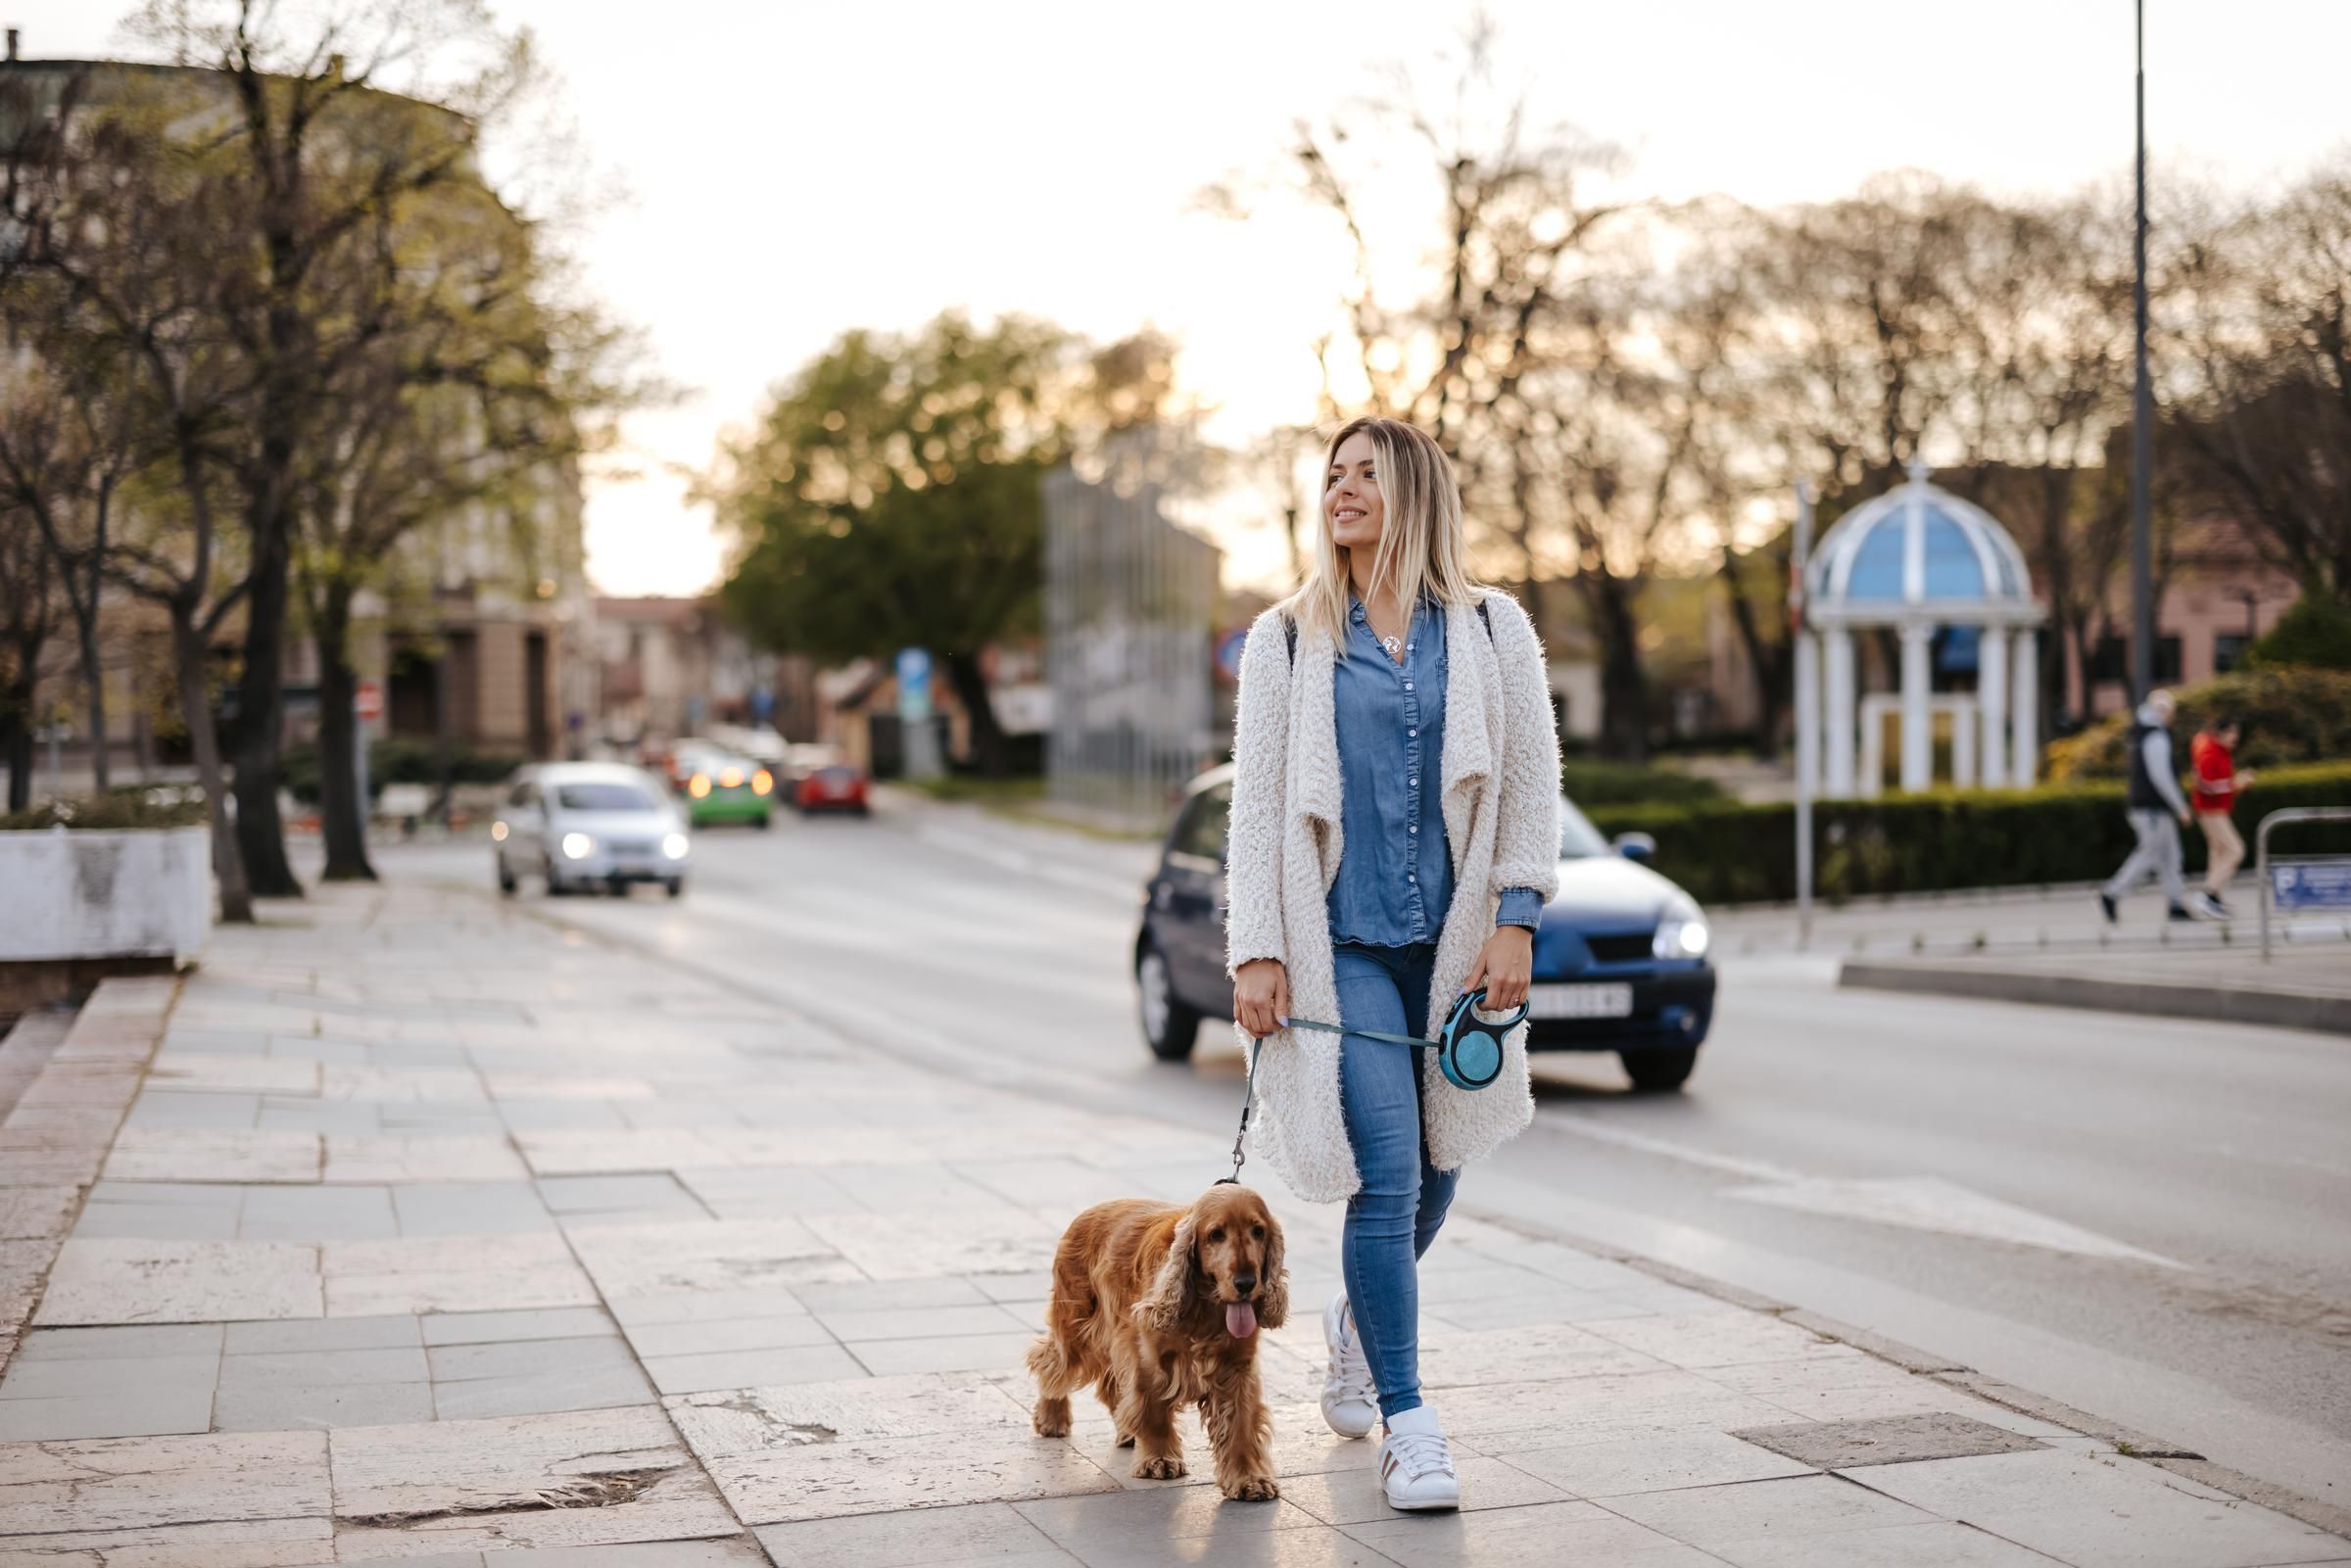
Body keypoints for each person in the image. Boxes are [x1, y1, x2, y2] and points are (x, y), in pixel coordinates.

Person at [1223, 416, 1559, 1512]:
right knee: (1390, 1172)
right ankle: (1410, 1422)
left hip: (1455, 947)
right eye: (1334, 476)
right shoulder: (1286, 639)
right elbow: (1260, 807)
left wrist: (1515, 916)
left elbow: (1528, 788)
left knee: (1446, 1152)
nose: (1344, 490)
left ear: (1416, 493)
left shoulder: (1493, 630)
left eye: (1368, 474)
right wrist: (1259, 948)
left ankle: (1360, 1318)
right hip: (1345, 951)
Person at [2098, 689, 2216, 924]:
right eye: (2171, 711)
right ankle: (2112, 892)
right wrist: (2180, 806)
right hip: (2151, 808)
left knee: (2171, 855)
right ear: (2163, 711)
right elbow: (2161, 777)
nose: (2172, 717)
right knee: (2150, 854)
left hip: (2149, 806)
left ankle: (2175, 903)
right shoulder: (2155, 736)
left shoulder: (2141, 733)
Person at [2190, 714, 2253, 915]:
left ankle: (2214, 897)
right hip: (2212, 810)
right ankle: (2209, 893)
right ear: (2219, 733)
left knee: (2219, 852)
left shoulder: (2213, 747)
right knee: (2236, 850)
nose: (2235, 737)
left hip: (2213, 808)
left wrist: (2233, 784)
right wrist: (2236, 784)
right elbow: (2206, 785)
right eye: (2231, 732)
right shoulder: (2210, 751)